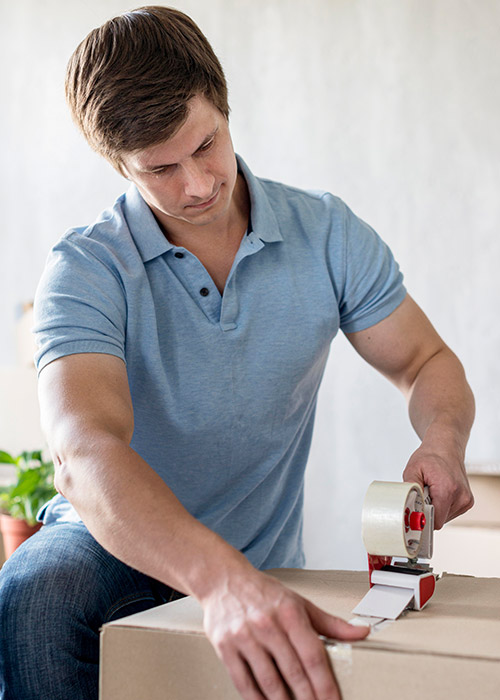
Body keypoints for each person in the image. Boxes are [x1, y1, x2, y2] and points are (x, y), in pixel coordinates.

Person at [0, 6, 475, 700]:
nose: (195, 184)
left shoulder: (326, 233)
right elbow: (84, 450)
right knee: (37, 591)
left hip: (264, 557)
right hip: (117, 549)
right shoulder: (85, 269)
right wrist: (218, 581)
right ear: (118, 164)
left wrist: (442, 438)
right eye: (160, 168)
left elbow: (425, 362)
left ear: (222, 105)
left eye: (206, 144)